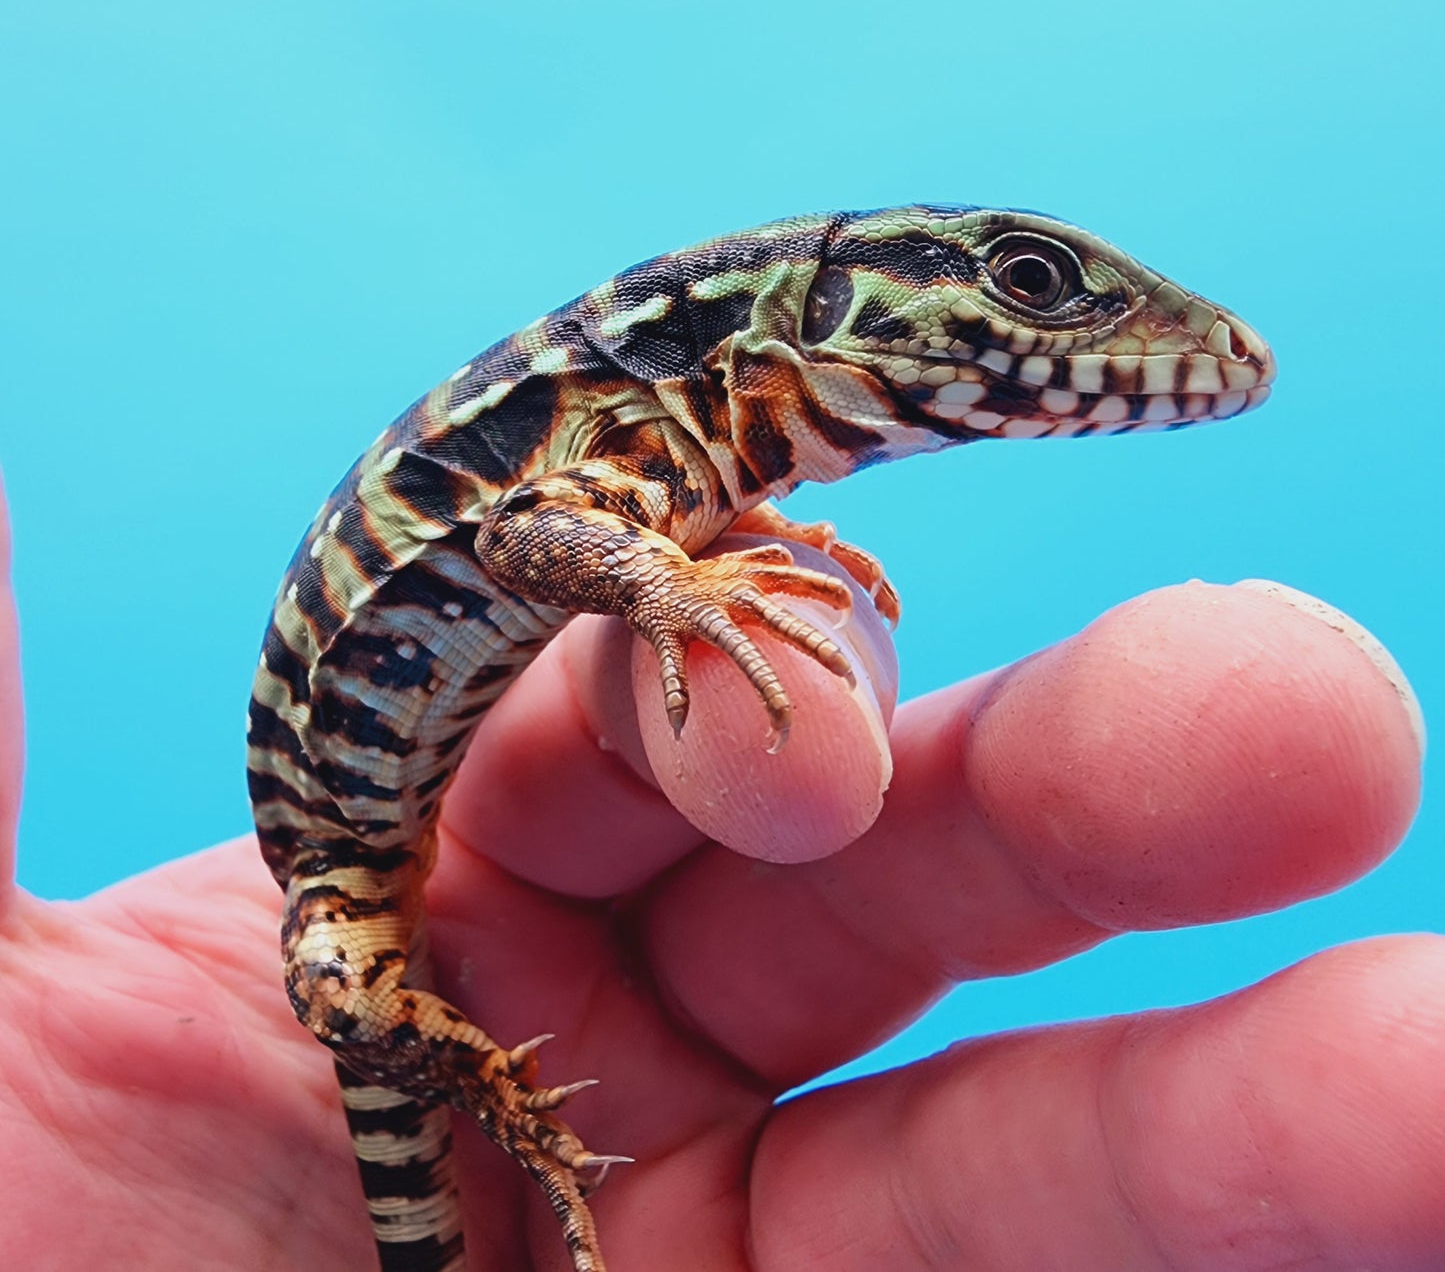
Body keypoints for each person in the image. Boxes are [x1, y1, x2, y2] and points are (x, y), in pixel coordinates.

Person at [0, 482, 1436, 1271]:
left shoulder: (681, 442)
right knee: (335, 979)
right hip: (341, 867)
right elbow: (515, 536)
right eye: (1027, 289)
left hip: (407, 832)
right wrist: (673, 588)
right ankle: (528, 1123)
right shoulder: (626, 434)